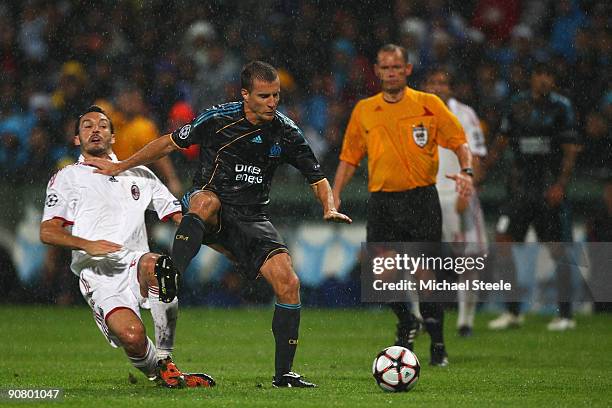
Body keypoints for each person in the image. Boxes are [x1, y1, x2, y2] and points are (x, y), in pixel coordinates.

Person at [84, 61, 352, 388]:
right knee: (205, 200)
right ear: (245, 95)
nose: (272, 103)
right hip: (212, 209)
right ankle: (172, 272)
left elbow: (316, 176)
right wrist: (122, 165)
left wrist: (328, 205)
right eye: (264, 96)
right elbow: (168, 142)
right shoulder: (217, 119)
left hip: (252, 218)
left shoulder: (286, 131)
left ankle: (284, 375)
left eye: (276, 96)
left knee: (289, 283)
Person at [39, 105, 214, 388]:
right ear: (76, 139)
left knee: (160, 265)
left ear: (113, 136)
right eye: (87, 125)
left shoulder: (140, 175)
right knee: (132, 338)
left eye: (103, 125)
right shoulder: (68, 177)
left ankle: (167, 359)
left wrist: (212, 223)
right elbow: (48, 231)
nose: (95, 129)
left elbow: (179, 217)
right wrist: (87, 244)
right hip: (98, 274)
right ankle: (159, 372)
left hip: (136, 263)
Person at [332, 44, 474, 366]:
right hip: (383, 200)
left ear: (408, 70)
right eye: (385, 67)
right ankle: (408, 320)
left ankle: (438, 346)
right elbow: (348, 157)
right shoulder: (364, 110)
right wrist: (335, 193)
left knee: (425, 275)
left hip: (421, 198)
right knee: (381, 275)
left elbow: (459, 142)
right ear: (377, 71)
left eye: (397, 67)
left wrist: (466, 171)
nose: (391, 72)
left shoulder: (428, 104)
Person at [486, 62, 581, 331]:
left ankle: (565, 315)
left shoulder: (562, 107)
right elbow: (501, 142)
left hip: (547, 188)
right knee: (503, 242)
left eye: (548, 75)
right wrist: (480, 174)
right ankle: (513, 312)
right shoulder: (516, 105)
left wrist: (561, 184)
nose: (544, 80)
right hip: (519, 189)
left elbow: (571, 149)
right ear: (532, 78)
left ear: (553, 79)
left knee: (557, 250)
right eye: (539, 74)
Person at [423, 68, 488, 337]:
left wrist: (467, 190)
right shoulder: (413, 110)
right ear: (426, 84)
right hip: (424, 195)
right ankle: (422, 318)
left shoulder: (465, 114)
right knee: (419, 260)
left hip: (456, 195)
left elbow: (477, 157)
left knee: (468, 260)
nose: (439, 87)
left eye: (444, 82)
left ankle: (465, 321)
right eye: (434, 82)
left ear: (451, 87)